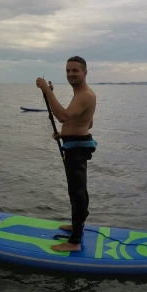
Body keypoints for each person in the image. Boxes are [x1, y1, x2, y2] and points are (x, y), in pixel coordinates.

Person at [36, 56, 97, 252]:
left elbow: (62, 116)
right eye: (68, 70)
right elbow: (88, 123)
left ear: (85, 72)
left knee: (77, 193)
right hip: (74, 143)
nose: (70, 74)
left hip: (77, 149)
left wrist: (46, 90)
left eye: (75, 70)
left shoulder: (85, 94)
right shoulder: (80, 94)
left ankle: (74, 242)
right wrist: (65, 133)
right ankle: (77, 225)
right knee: (78, 191)